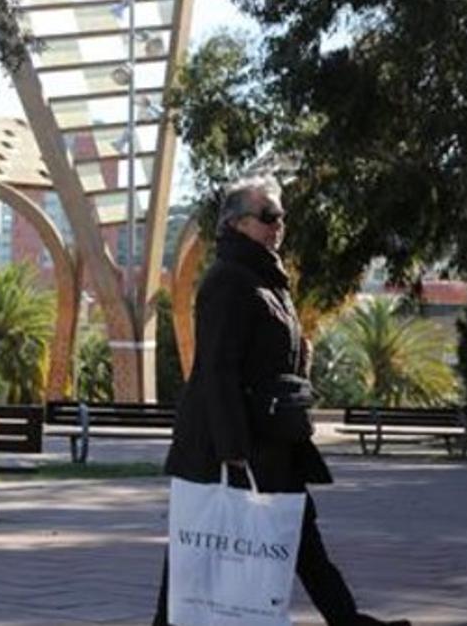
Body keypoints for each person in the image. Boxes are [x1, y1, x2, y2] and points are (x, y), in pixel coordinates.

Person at [153, 177, 409, 626]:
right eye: (268, 216)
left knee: (295, 536)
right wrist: (234, 454)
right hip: (231, 447)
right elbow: (217, 370)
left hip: (272, 440)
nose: (279, 225)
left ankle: (349, 621)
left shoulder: (266, 280)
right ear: (234, 224)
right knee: (196, 555)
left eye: (281, 217)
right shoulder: (228, 281)